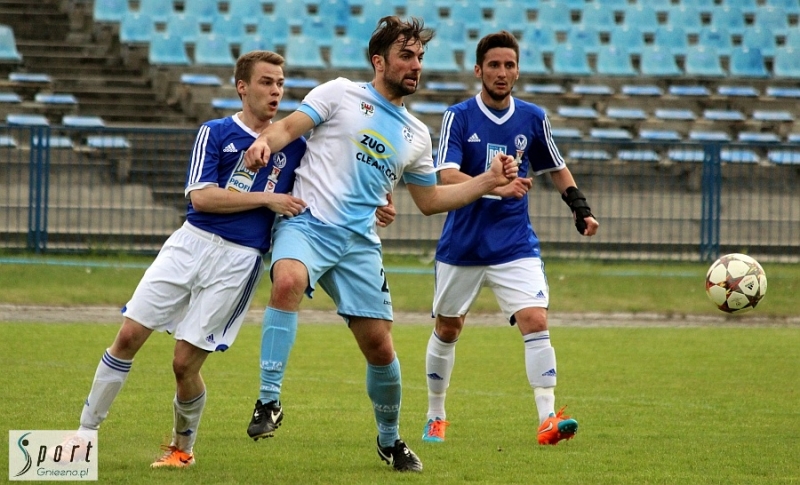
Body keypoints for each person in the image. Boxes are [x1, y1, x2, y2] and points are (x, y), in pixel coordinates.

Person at [241, 17, 518, 472]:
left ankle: (390, 440)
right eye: (406, 56)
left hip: (359, 245)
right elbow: (287, 128)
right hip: (307, 223)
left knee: (381, 350)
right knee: (287, 280)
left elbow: (430, 201)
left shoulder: (417, 134)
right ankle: (268, 401)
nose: (416, 65)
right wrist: (263, 144)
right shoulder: (339, 93)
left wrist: (487, 181)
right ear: (379, 61)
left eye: (420, 58)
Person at [69, 50, 330, 469]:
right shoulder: (216, 132)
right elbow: (202, 198)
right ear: (242, 87)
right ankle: (83, 438)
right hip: (189, 245)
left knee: (183, 364)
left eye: (280, 83)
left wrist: (377, 202)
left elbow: (330, 179)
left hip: (239, 260)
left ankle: (182, 450)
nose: (276, 91)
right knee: (128, 336)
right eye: (266, 82)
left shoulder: (295, 146)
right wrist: (266, 199)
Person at [421, 31, 600, 446]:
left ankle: (547, 419)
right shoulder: (458, 117)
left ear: (518, 71)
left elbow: (556, 167)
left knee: (536, 319)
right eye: (494, 65)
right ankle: (435, 415)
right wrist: (497, 186)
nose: (502, 72)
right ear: (478, 70)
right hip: (463, 244)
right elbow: (446, 176)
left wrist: (580, 207)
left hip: (514, 244)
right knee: (448, 328)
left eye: (509, 65)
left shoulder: (533, 118)